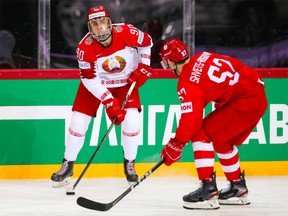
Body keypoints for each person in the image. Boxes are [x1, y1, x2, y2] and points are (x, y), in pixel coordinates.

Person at [159, 38, 268, 210]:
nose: (167, 66)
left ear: (172, 62)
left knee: (200, 133)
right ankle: (237, 187)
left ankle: (208, 189)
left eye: (166, 63)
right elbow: (235, 66)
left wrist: (177, 144)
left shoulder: (187, 82)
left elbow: (191, 120)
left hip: (244, 102)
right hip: (256, 95)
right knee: (222, 140)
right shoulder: (202, 56)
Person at [51, 5, 153, 187]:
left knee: (132, 123)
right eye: (94, 23)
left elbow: (147, 43)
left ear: (109, 22)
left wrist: (144, 66)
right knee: (78, 122)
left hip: (125, 83)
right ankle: (68, 164)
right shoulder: (84, 47)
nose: (99, 27)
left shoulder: (127, 31)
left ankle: (129, 163)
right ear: (89, 27)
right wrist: (108, 101)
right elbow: (89, 80)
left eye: (102, 22)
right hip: (96, 85)